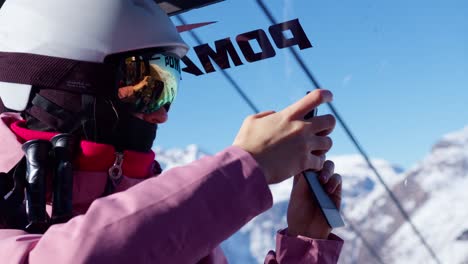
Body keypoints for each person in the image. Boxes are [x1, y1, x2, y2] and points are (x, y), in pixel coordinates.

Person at [0, 0, 343, 263]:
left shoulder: (165, 209)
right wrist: (247, 167)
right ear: (61, 88)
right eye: (145, 87)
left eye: (169, 87)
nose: (162, 116)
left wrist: (304, 244)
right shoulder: (7, 192)